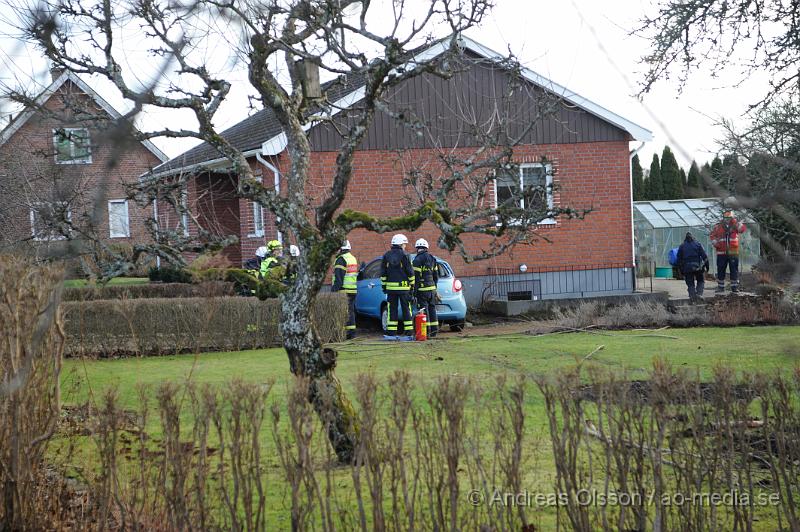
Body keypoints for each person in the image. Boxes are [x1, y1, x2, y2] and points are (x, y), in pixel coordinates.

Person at [381, 234, 415, 339]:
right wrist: (412, 285)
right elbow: (410, 272)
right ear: (401, 244)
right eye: (404, 244)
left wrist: (384, 287)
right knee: (406, 309)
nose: (405, 246)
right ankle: (409, 331)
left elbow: (383, 273)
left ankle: (391, 332)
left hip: (391, 289)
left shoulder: (386, 256)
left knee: (392, 310)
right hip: (404, 289)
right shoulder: (405, 255)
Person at [710, 210, 747, 293]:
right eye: (726, 218)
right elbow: (712, 235)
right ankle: (720, 287)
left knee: (734, 269)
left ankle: (734, 287)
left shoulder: (735, 225)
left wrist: (740, 223)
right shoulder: (718, 226)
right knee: (721, 269)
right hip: (721, 252)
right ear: (723, 218)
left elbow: (742, 230)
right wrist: (715, 243)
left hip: (733, 251)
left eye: (729, 218)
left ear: (732, 218)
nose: (727, 219)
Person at [412, 238, 439, 337]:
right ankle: (434, 331)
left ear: (417, 248)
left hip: (422, 291)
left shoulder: (417, 260)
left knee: (424, 311)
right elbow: (436, 276)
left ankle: (426, 332)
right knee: (432, 309)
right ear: (426, 247)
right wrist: (434, 288)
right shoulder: (432, 258)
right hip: (432, 290)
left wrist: (414, 293)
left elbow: (416, 278)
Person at [332, 240, 358, 340]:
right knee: (350, 311)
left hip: (343, 290)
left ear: (340, 248)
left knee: (342, 312)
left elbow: (339, 278)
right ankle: (352, 333)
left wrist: (334, 291)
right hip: (352, 290)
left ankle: (343, 334)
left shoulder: (341, 259)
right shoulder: (352, 258)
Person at [676, 232, 709, 303]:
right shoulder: (698, 244)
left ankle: (692, 297)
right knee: (701, 280)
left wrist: (681, 270)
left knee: (690, 283)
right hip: (697, 267)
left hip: (687, 268)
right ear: (693, 238)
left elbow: (678, 260)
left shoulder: (682, 246)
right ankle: (699, 294)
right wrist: (707, 266)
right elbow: (705, 256)